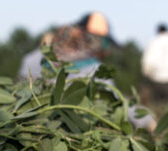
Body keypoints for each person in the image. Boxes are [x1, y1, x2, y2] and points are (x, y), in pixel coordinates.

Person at [17, 12, 156, 131]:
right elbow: (118, 103)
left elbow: (22, 79)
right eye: (102, 43)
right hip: (66, 131)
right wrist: (149, 120)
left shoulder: (37, 57)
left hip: (30, 122)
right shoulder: (94, 69)